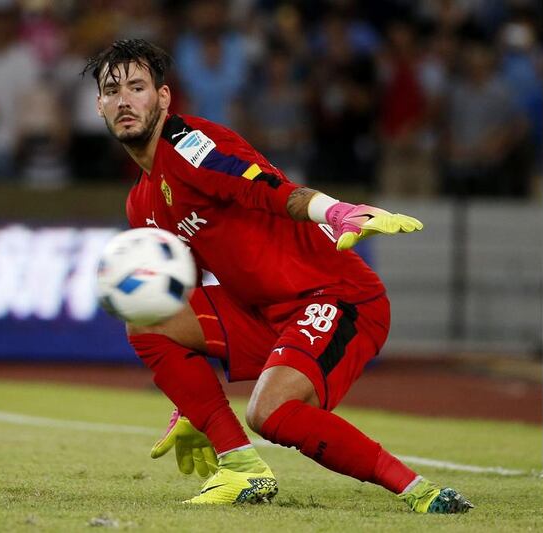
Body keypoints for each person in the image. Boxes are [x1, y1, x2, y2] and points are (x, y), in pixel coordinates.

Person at [84, 39, 473, 513]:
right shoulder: (141, 203)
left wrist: (336, 211)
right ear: (99, 106)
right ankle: (241, 469)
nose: (125, 100)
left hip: (336, 296)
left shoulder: (192, 148)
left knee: (269, 412)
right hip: (262, 314)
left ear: (163, 98)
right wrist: (191, 405)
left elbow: (272, 190)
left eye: (137, 87)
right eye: (112, 91)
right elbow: (191, 289)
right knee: (146, 318)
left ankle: (421, 492)